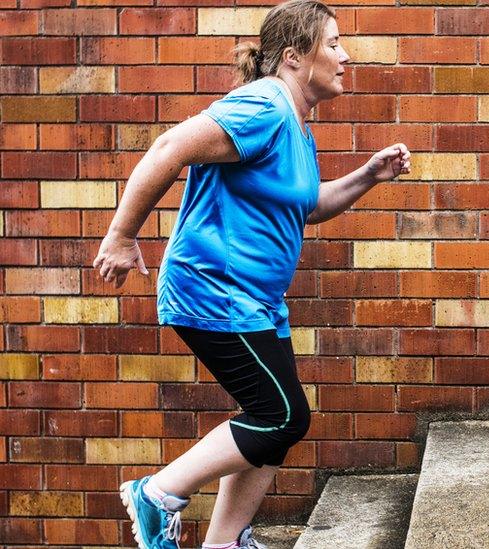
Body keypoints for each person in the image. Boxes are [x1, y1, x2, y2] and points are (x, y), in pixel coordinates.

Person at [92, 1, 411, 547]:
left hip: (256, 300)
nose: (346, 56)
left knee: (271, 428)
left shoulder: (295, 125)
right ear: (293, 57)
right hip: (214, 289)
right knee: (281, 415)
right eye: (333, 44)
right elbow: (170, 147)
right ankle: (158, 494)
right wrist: (121, 237)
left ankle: (223, 542)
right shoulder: (262, 106)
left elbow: (305, 206)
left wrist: (368, 176)